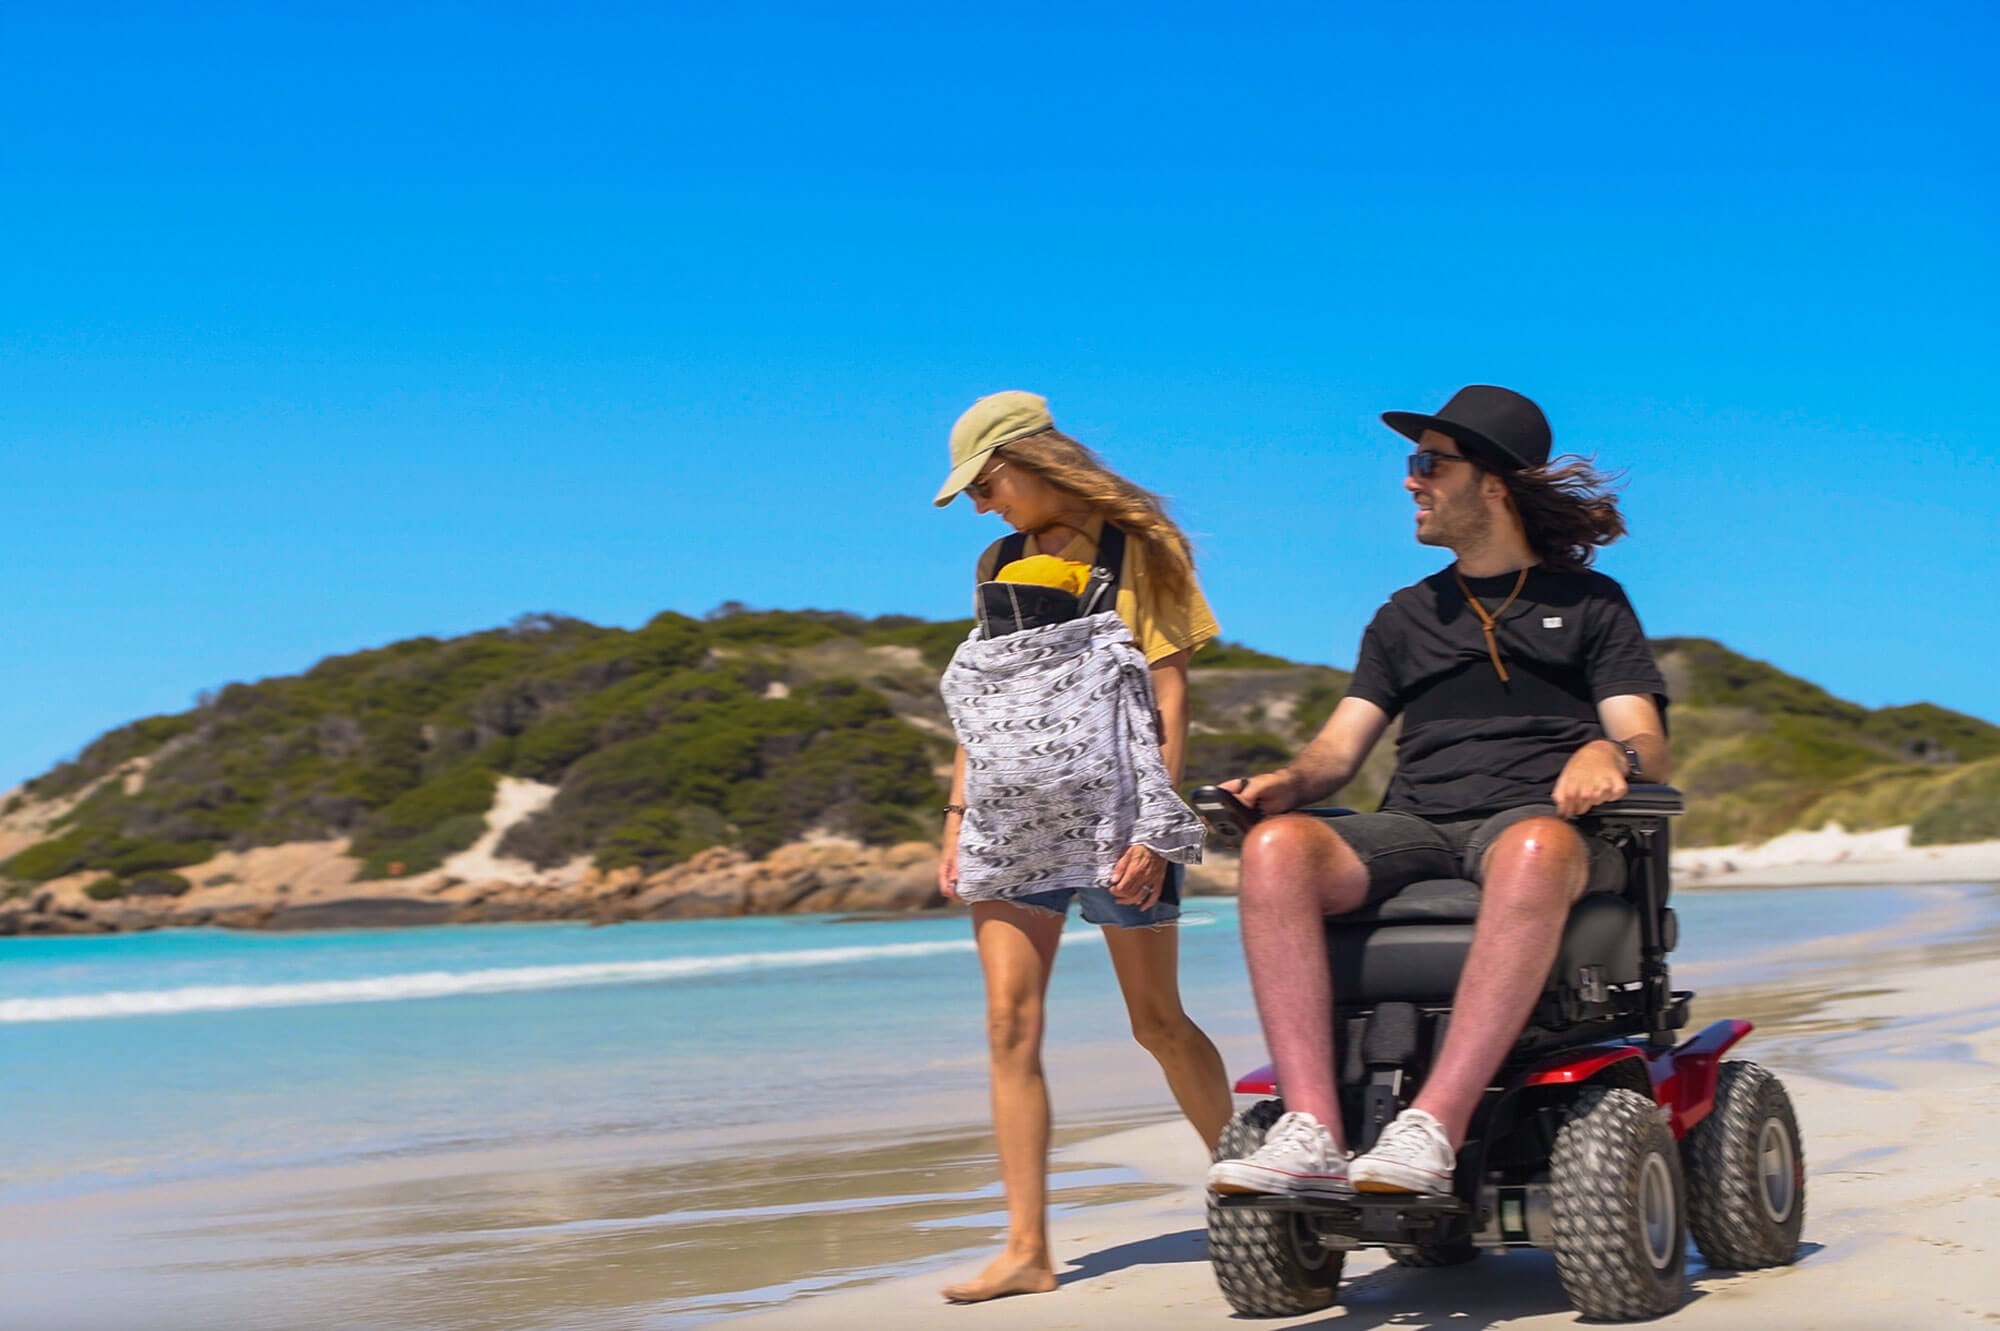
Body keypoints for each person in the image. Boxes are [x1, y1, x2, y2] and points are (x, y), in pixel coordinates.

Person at [1205, 384, 1670, 1199]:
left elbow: (1646, 740)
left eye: (1429, 463)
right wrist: (1284, 784)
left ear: (1493, 484)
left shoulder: (1591, 605)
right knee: (1276, 846)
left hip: (1544, 825)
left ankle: (1434, 1128)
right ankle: (1311, 1128)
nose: (1409, 480)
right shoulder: (1404, 617)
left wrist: (1609, 751)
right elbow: (1336, 752)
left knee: (1531, 846)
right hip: (1419, 826)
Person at [932, 390, 1234, 1302]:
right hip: (1010, 822)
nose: (981, 506)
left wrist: (1157, 826)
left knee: (1157, 1022)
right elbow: (988, 697)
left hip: (1118, 821)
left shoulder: (1141, 547)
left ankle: (1255, 1192)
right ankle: (1026, 1248)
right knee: (1007, 1022)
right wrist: (956, 814)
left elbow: (1168, 691)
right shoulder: (996, 561)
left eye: (985, 485)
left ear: (1029, 460)